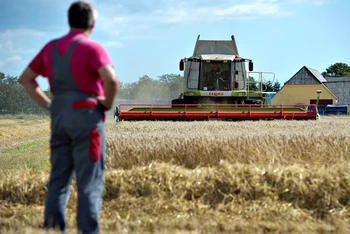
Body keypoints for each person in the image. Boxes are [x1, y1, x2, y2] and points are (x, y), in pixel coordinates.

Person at [18, 1, 118, 233]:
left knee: (59, 180)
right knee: (88, 183)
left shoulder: (50, 48)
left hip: (60, 118)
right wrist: (107, 103)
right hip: (87, 119)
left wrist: (50, 105)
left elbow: (26, 79)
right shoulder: (92, 48)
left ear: (68, 21)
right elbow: (111, 79)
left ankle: (53, 229)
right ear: (92, 23)